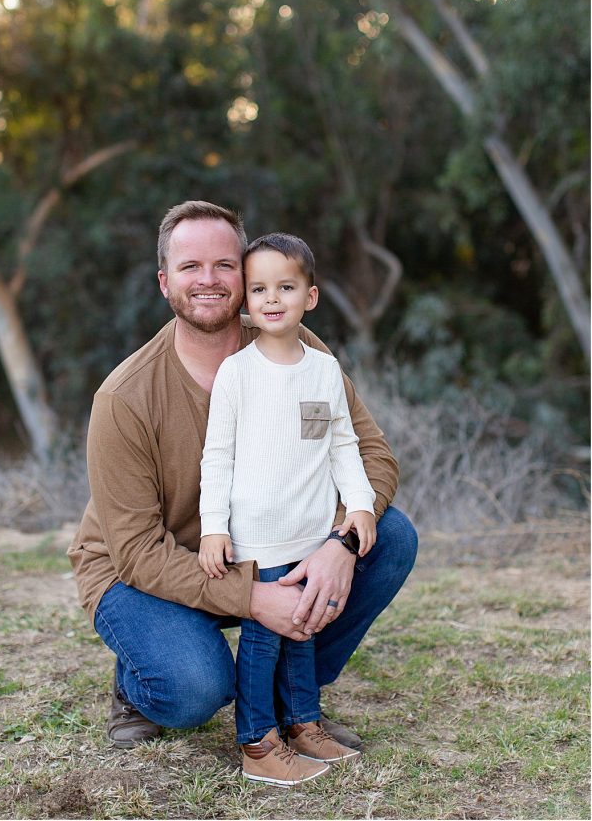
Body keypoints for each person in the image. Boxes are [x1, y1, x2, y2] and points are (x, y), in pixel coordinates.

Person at [68, 200, 417, 758]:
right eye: (189, 267)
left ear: (247, 273)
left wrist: (341, 542)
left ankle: (291, 700)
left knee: (390, 536)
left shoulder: (300, 352)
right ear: (165, 282)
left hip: (268, 542)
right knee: (197, 688)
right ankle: (138, 686)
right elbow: (134, 549)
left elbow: (371, 454)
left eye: (224, 265)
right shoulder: (124, 397)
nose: (208, 280)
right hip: (145, 570)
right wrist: (252, 598)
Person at [198, 232, 378, 785]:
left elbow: (341, 444)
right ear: (246, 303)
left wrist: (362, 507)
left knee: (302, 631)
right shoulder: (238, 373)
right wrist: (213, 529)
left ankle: (303, 723)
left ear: (311, 296)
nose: (272, 299)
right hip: (257, 535)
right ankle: (257, 740)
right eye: (258, 289)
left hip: (312, 534)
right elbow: (217, 455)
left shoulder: (323, 371)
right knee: (263, 639)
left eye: (285, 287)